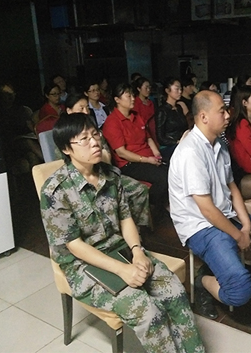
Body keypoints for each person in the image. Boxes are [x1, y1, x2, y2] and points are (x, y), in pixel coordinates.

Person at [40, 113, 204, 353]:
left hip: (121, 250)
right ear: (67, 149)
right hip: (83, 265)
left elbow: (125, 217)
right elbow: (74, 246)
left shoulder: (111, 175)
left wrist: (137, 252)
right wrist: (122, 269)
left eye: (95, 134)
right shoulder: (56, 191)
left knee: (175, 291)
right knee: (147, 311)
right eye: (83, 139)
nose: (95, 142)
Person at [168, 90, 251, 319]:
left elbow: (232, 187)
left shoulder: (219, 144)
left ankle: (226, 263)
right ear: (203, 117)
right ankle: (201, 282)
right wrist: (239, 236)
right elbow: (206, 209)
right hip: (200, 225)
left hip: (223, 213)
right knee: (240, 292)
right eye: (222, 111)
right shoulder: (191, 152)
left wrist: (245, 225)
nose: (228, 115)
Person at [62, 93, 153, 232]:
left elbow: (106, 153)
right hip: (82, 177)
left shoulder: (94, 129)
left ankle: (136, 229)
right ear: (69, 111)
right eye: (81, 108)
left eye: (87, 108)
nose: (86, 112)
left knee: (139, 189)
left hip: (102, 171)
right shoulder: (65, 134)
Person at [103, 83, 169, 209]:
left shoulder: (136, 115)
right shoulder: (113, 122)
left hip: (148, 157)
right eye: (128, 96)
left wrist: (156, 153)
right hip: (130, 163)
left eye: (132, 95)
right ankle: (152, 204)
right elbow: (121, 152)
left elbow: (148, 137)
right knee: (163, 177)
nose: (133, 98)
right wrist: (147, 160)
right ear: (117, 100)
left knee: (175, 169)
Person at [156, 77, 189, 162]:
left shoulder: (179, 108)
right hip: (169, 146)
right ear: (167, 91)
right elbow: (160, 137)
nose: (180, 91)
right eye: (177, 89)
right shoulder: (162, 111)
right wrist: (176, 142)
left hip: (182, 143)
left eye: (181, 89)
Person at [132, 77, 157, 144]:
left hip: (153, 131)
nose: (148, 90)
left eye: (149, 87)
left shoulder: (150, 102)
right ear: (139, 89)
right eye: (146, 88)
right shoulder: (135, 103)